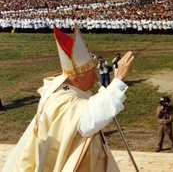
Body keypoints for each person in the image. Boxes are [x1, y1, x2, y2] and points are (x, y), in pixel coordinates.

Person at [3, 24, 135, 171]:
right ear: (75, 80)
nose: (96, 77)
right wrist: (118, 80)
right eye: (92, 74)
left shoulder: (64, 87)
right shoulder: (62, 101)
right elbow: (89, 120)